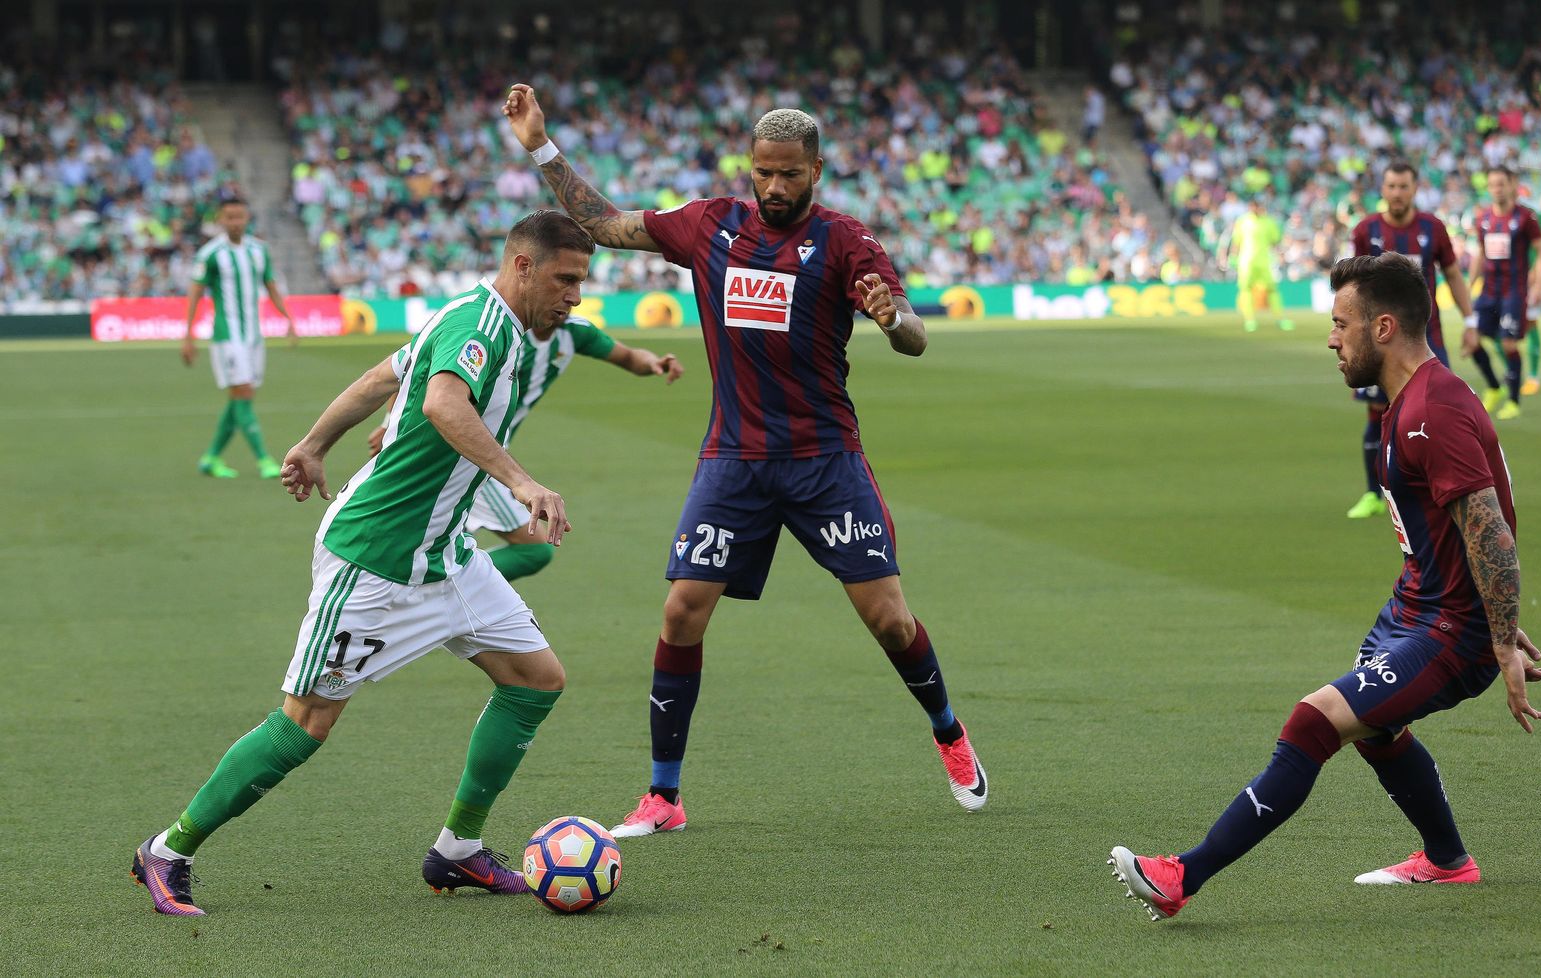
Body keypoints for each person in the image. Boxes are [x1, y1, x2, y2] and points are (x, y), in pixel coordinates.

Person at [500, 83, 988, 836]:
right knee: (681, 610)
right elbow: (601, 222)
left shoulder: (847, 242)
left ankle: (950, 733)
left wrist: (895, 322)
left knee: (889, 620)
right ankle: (664, 796)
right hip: (735, 460)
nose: (775, 186)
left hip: (825, 459)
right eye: (763, 171)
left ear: (815, 171)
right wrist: (540, 145)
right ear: (749, 166)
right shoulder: (709, 227)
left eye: (790, 173)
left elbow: (914, 334)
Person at [132, 210, 590, 915]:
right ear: (523, 266)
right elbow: (441, 401)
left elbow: (385, 376)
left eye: (582, 283)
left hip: (445, 555)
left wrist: (316, 443)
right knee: (305, 723)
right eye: (566, 279)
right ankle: (167, 850)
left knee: (535, 681)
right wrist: (521, 483)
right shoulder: (481, 326)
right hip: (375, 558)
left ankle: (457, 851)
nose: (575, 297)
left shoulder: (486, 321)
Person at [1110, 252, 1541, 921]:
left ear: (1382, 327)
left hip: (1448, 631)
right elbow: (1461, 530)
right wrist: (1498, 612)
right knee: (1375, 730)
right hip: (1416, 608)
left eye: (1340, 324)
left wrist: (1496, 639)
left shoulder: (1431, 410)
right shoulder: (1411, 404)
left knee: (1314, 720)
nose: (1330, 338)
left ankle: (1181, 876)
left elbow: (1491, 532)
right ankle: (1446, 860)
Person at [368, 315, 684, 583]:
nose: (570, 297)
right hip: (467, 453)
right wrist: (389, 422)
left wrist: (653, 362)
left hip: (488, 453)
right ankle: (439, 590)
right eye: (562, 282)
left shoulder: (575, 332)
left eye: (575, 285)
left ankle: (428, 587)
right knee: (531, 548)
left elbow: (628, 357)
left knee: (424, 538)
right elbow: (419, 371)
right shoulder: (502, 333)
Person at [1344, 162, 1477, 520]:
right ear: (1382, 190)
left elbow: (1452, 275)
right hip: (1378, 342)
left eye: (1404, 186)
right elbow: (1351, 290)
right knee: (1379, 414)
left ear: (1415, 188)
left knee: (1436, 411)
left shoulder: (1433, 229)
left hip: (1426, 340)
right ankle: (1375, 494)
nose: (1397, 193)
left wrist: (1470, 320)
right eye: (1391, 186)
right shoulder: (1365, 230)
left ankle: (1442, 486)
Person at [181, 197, 298, 479]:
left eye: (240, 217)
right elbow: (195, 292)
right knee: (242, 393)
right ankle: (264, 460)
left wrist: (288, 318)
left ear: (247, 218)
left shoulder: (259, 250)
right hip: (227, 336)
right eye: (229, 217)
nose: (235, 222)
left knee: (241, 399)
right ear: (221, 219)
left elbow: (270, 286)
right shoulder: (211, 253)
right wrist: (188, 335)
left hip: (253, 336)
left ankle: (211, 458)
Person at [1470, 166, 1541, 421]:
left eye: (1501, 184)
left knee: (1509, 342)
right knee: (1472, 339)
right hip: (1489, 289)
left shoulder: (1525, 217)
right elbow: (1481, 253)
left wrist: (1537, 286)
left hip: (1514, 290)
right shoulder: (1483, 219)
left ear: (1511, 185)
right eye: (1492, 184)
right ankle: (1494, 386)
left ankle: (1513, 400)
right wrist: (1469, 284)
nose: (1497, 189)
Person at [1222, 198, 1293, 333]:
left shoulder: (1269, 221)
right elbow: (1237, 242)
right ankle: (1250, 320)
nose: (1254, 208)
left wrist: (1280, 255)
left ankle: (1280, 319)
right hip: (1246, 262)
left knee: (1272, 289)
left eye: (1257, 206)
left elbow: (1275, 241)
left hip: (1265, 261)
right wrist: (1232, 257)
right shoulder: (1243, 221)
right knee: (1246, 289)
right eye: (1252, 206)